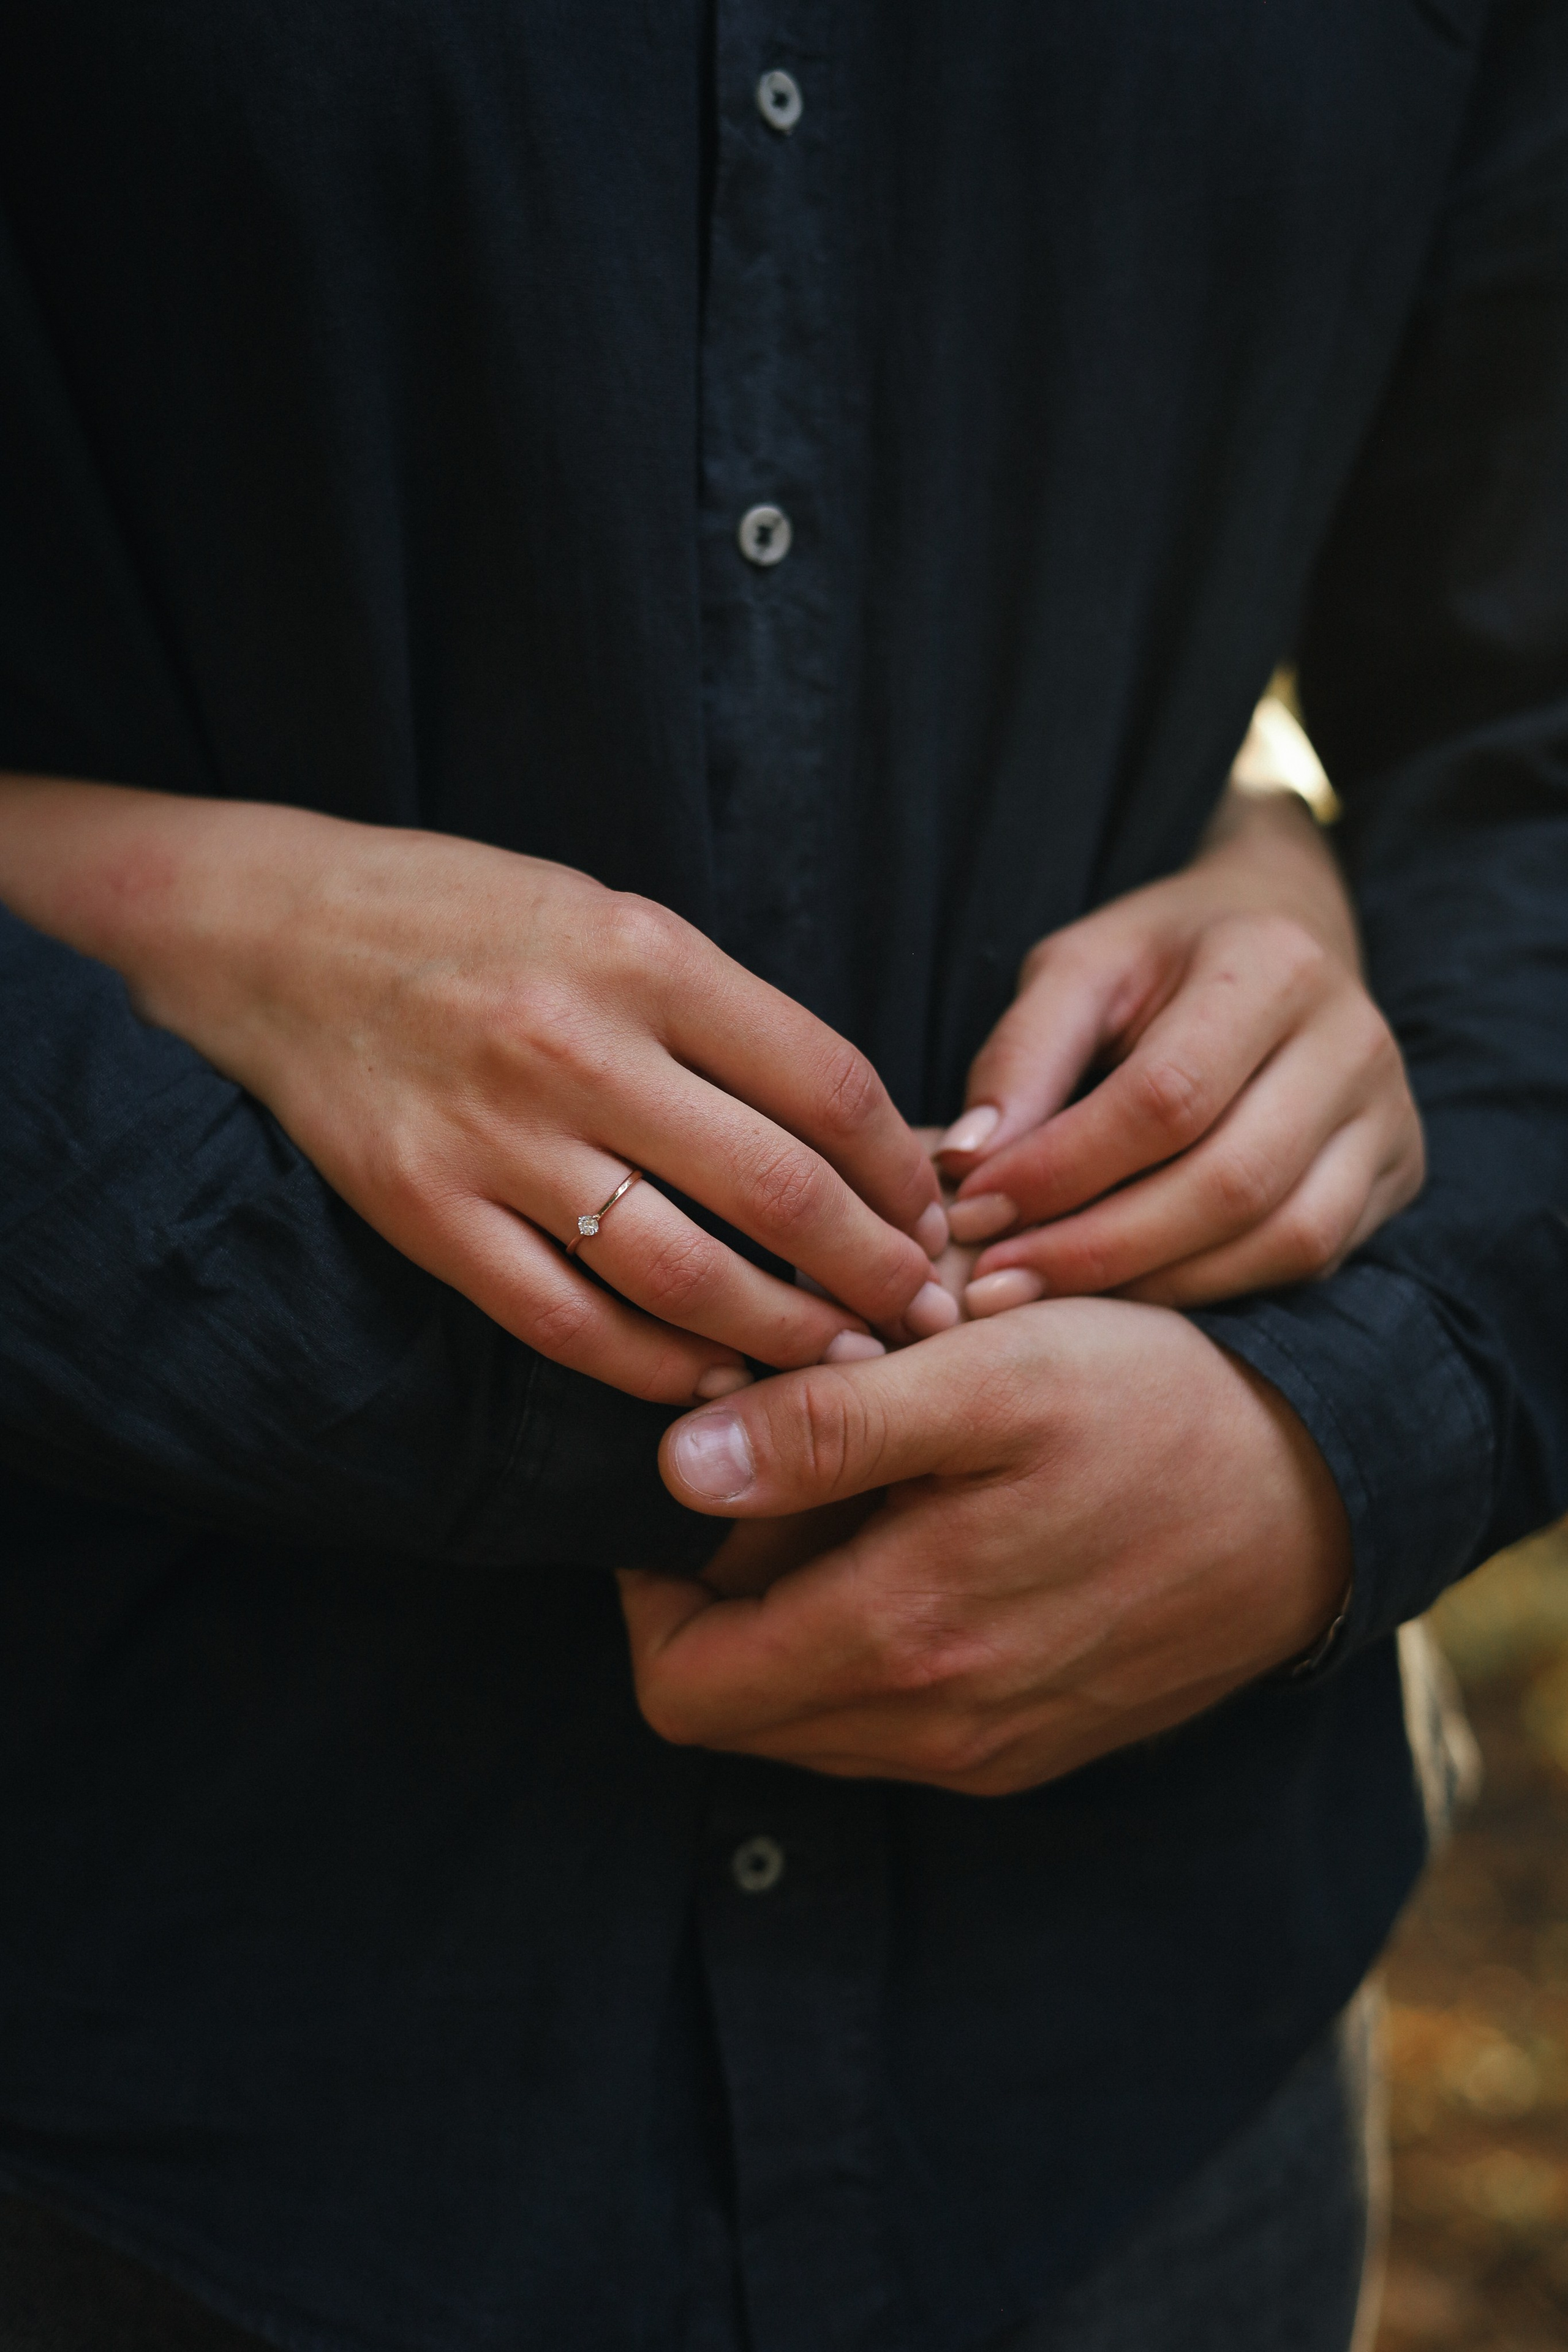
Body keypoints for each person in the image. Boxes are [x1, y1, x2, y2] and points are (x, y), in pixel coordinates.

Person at [0, 6, 1564, 2350]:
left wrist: (1353, 1424)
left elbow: (1519, 725)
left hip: (1157, 2080)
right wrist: (115, 898)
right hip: (145, 2089)